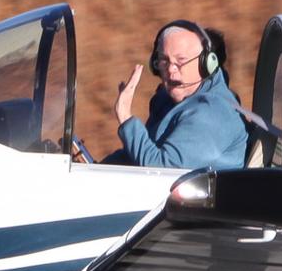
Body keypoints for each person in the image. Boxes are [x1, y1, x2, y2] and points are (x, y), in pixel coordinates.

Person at [106, 19, 248, 170]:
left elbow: (163, 170)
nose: (171, 70)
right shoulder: (167, 101)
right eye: (164, 61)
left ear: (206, 64)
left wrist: (126, 118)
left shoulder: (214, 112)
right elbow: (138, 154)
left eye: (181, 61)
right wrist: (92, 169)